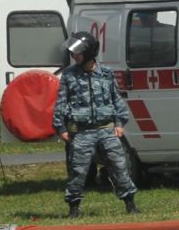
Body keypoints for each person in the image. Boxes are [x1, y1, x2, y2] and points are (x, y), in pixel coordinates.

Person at [52, 32, 139, 219]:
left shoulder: (106, 74)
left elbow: (116, 100)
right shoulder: (69, 75)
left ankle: (130, 204)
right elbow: (61, 102)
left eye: (78, 53)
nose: (75, 56)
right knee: (78, 171)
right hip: (82, 132)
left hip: (106, 129)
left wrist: (119, 123)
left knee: (119, 166)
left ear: (89, 52)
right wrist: (61, 128)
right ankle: (74, 209)